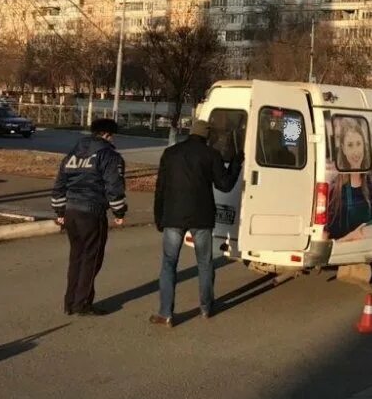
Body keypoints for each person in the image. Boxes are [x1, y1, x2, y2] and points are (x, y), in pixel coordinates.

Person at [150, 119, 243, 328]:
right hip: (201, 217)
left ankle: (165, 313)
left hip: (173, 216)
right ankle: (206, 308)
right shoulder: (211, 155)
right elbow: (225, 185)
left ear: (190, 132)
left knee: (168, 264)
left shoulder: (170, 153)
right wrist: (236, 163)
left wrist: (159, 217)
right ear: (207, 136)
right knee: (204, 263)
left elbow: (160, 188)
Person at [51, 118, 127, 316]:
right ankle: (82, 304)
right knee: (91, 259)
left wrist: (59, 212)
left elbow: (59, 184)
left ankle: (70, 302)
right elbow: (114, 186)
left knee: (76, 257)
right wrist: (119, 212)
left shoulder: (73, 154)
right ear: (108, 135)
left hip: (70, 211)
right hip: (92, 211)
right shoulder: (109, 156)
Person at [326, 118, 372, 242]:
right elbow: (328, 241)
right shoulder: (335, 189)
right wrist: (353, 236)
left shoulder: (370, 182)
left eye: (358, 144)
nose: (356, 152)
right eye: (350, 145)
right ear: (343, 149)